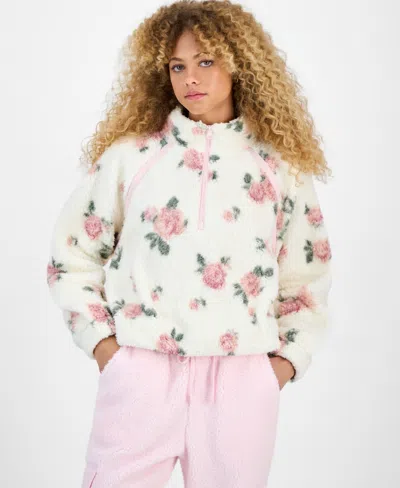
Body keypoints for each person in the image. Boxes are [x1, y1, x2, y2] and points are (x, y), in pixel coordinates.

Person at [46, 0, 333, 486]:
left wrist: (284, 364)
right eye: (177, 66)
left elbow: (307, 275)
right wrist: (105, 348)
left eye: (205, 61)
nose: (190, 79)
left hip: (241, 382)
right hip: (142, 372)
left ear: (239, 63)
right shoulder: (132, 155)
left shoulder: (279, 166)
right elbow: (72, 255)